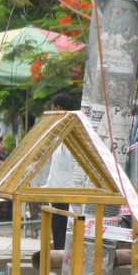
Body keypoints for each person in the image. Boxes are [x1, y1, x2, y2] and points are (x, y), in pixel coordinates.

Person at [45, 91, 78, 250]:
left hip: (70, 188)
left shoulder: (74, 128)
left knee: (67, 225)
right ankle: (59, 254)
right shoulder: (59, 131)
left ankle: (67, 254)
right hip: (56, 186)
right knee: (57, 225)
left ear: (59, 108)